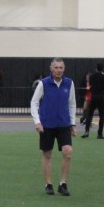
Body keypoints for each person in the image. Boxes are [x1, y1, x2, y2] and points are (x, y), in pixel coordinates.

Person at [29, 58, 76, 196]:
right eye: (56, 67)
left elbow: (72, 104)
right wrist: (37, 122)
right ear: (51, 68)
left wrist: (72, 123)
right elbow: (34, 103)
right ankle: (48, 184)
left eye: (61, 67)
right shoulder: (43, 83)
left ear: (64, 69)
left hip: (64, 124)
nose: (58, 70)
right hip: (47, 125)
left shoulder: (69, 83)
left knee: (68, 151)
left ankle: (63, 183)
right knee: (47, 153)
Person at [81, 63, 104, 139]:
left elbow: (90, 84)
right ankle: (99, 134)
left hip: (93, 96)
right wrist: (103, 87)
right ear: (102, 69)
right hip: (101, 97)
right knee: (102, 116)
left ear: (96, 68)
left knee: (90, 115)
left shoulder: (92, 77)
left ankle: (86, 131)